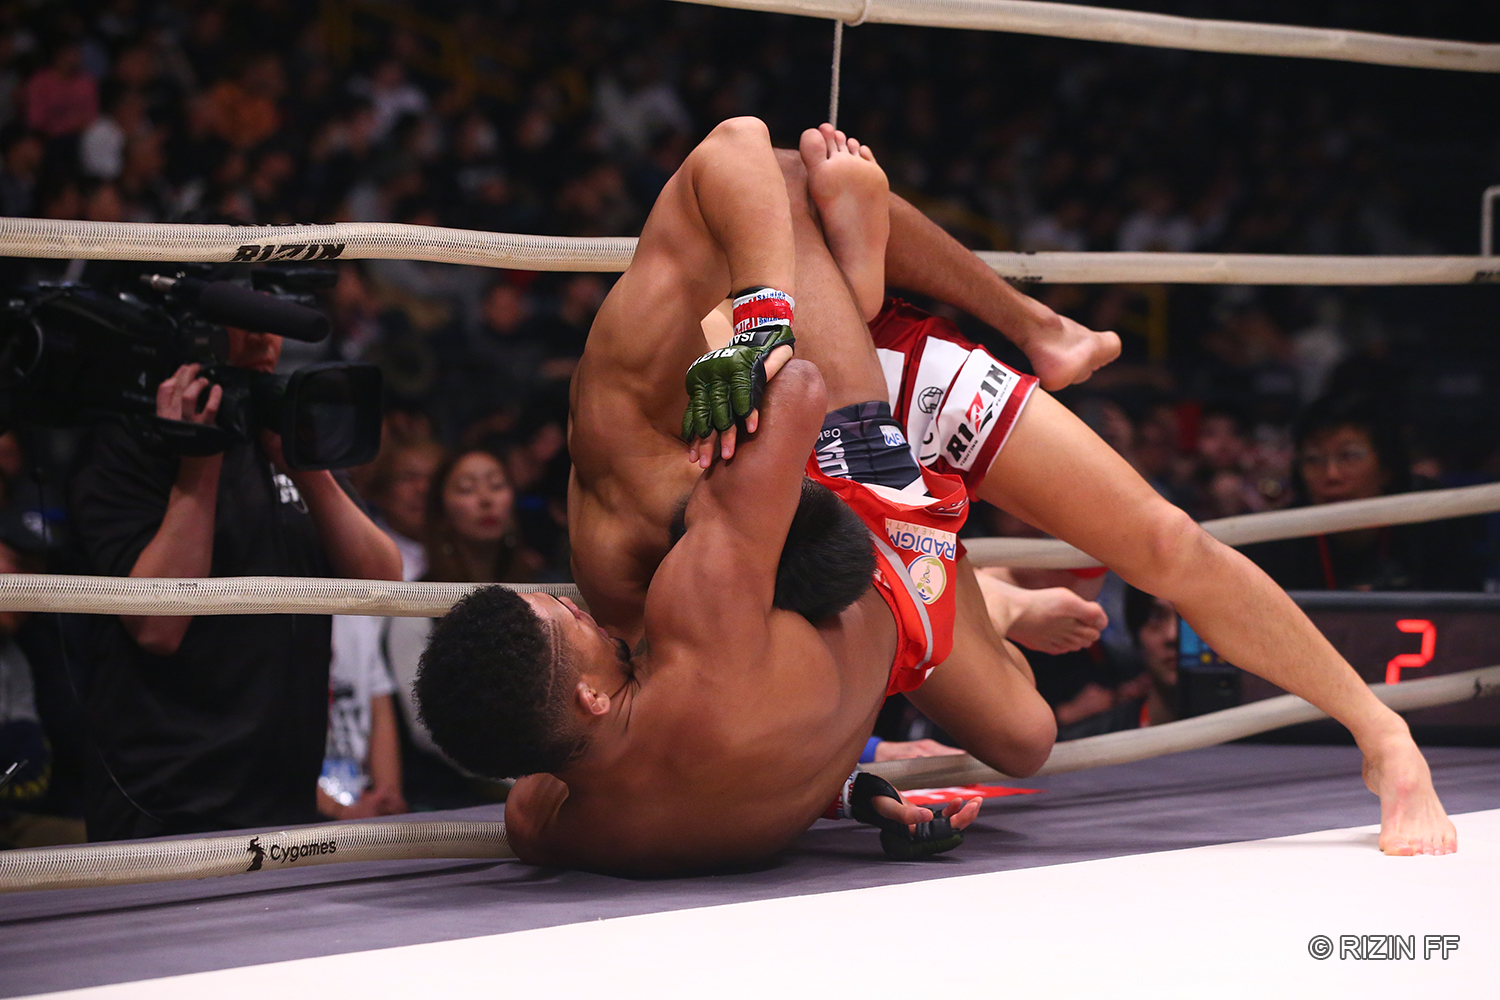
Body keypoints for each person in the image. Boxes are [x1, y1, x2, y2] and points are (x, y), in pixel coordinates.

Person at [69, 328, 402, 841]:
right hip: (166, 800)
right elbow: (158, 626)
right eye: (243, 318)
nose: (263, 338)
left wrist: (306, 466)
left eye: (270, 317)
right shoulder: (131, 438)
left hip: (285, 796)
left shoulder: (276, 432)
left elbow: (385, 587)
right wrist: (200, 460)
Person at [388, 448, 539, 809]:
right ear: (441, 513)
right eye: (467, 489)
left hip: (537, 782)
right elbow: (425, 729)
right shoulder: (419, 603)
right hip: (446, 799)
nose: (486, 500)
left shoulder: (541, 593)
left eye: (496, 485)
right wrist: (518, 778)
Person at [1242, 390, 1485, 591]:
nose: (1331, 475)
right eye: (1313, 460)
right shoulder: (1277, 541)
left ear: (1386, 467)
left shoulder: (1436, 525)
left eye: (1349, 456)